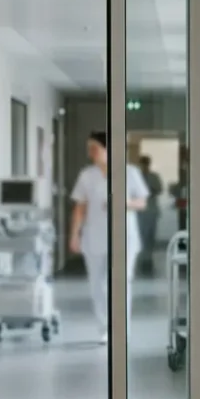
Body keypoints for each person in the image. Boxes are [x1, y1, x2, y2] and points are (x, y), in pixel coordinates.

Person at [69, 131, 150, 344]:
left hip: (124, 237)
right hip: (94, 236)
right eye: (89, 149)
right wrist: (74, 235)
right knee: (97, 284)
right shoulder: (87, 175)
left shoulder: (129, 172)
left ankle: (122, 328)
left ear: (108, 149)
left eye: (94, 148)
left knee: (121, 282)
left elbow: (142, 202)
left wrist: (124, 204)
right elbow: (80, 207)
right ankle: (105, 328)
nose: (91, 153)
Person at [137, 155, 165, 273]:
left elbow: (159, 189)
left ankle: (149, 257)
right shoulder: (136, 177)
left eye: (146, 164)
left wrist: (151, 190)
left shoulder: (154, 176)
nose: (144, 166)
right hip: (140, 210)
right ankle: (142, 257)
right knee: (141, 234)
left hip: (152, 209)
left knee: (150, 235)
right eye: (143, 164)